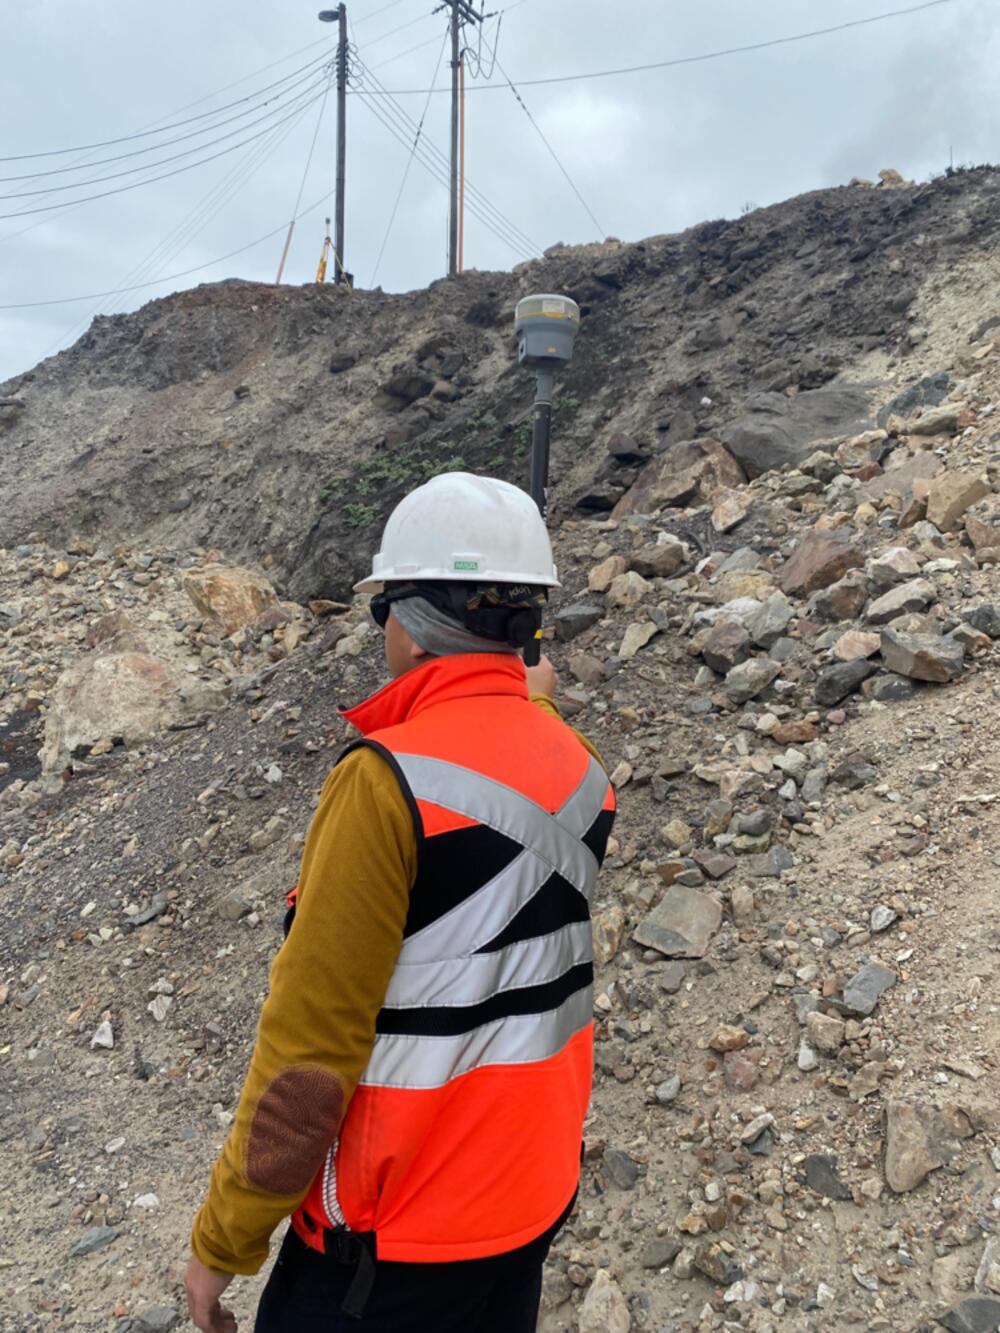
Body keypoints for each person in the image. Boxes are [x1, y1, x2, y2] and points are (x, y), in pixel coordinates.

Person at [185, 473, 615, 1333]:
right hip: (528, 1202)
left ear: (410, 626)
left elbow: (310, 1055)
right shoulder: (579, 765)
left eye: (382, 607)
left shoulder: (384, 785)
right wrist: (524, 694)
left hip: (393, 1248)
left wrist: (223, 1240)